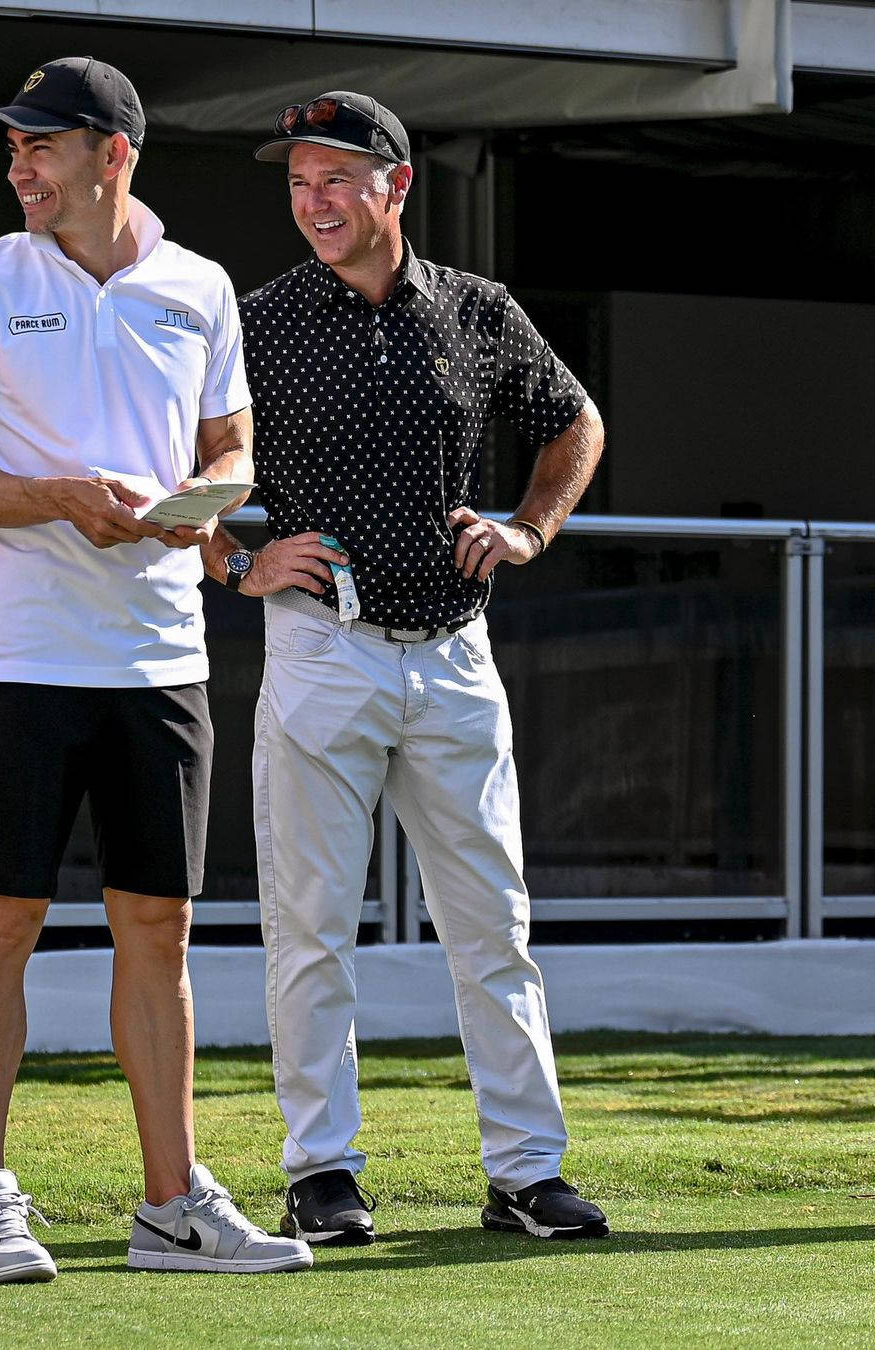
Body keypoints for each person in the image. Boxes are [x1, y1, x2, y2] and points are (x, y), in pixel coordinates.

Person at [0, 57, 311, 1283]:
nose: (19, 165)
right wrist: (61, 499)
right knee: (2, 920)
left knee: (159, 928)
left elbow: (232, 446)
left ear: (113, 154)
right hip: (27, 657)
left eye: (41, 144)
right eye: (13, 147)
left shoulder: (200, 286)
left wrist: (203, 508)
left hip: (163, 658)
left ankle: (170, 1208)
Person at [205, 91, 609, 1245]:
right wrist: (237, 563)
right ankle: (321, 1173)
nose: (314, 201)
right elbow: (180, 470)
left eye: (336, 178)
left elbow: (575, 421)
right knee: (311, 926)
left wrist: (530, 529)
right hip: (323, 645)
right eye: (298, 182)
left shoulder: (479, 311)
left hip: (455, 653)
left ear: (396, 185)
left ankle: (528, 1173)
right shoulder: (258, 319)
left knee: (494, 925)